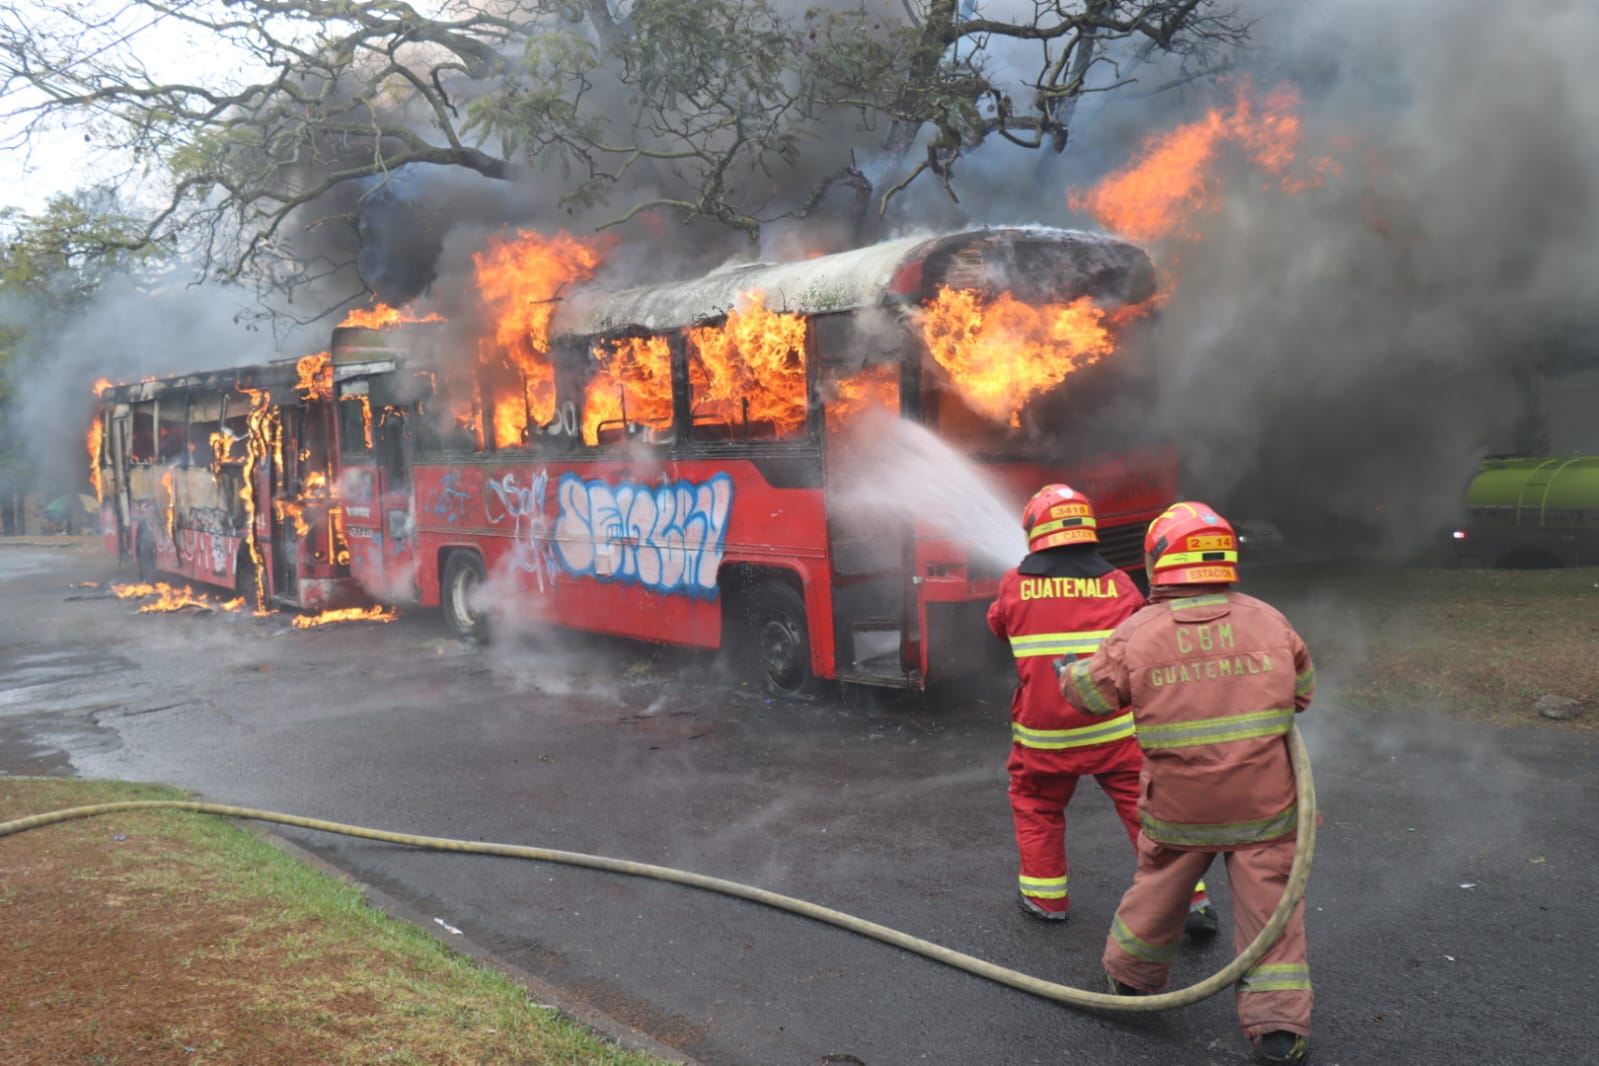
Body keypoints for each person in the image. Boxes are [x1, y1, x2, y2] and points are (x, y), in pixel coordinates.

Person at [1058, 501, 1316, 1066]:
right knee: (1270, 907)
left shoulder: (1138, 632)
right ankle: (1277, 1029)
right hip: (1264, 805)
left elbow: (1092, 697)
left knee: (1161, 887)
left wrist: (1068, 674)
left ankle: (1131, 982)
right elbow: (1302, 692)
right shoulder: (1269, 620)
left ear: (1158, 561)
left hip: (1179, 806)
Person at [987, 484, 1215, 932]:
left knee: (1037, 806)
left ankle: (1045, 899)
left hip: (1045, 739)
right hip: (1113, 731)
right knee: (1146, 811)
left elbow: (998, 625)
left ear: (1037, 534)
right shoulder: (1120, 584)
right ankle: (1189, 901)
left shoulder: (1015, 584)